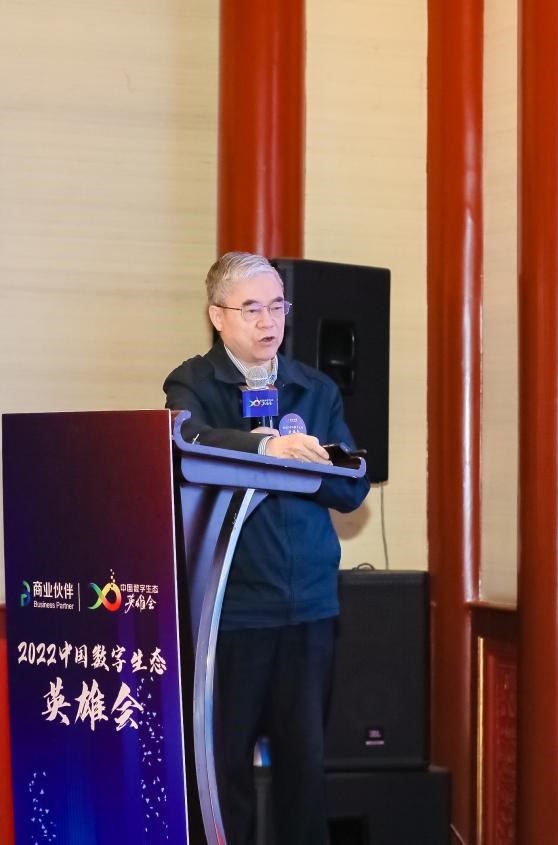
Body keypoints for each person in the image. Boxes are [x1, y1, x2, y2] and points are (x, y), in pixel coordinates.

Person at [163, 251, 370, 845]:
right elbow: (186, 443)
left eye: (277, 307)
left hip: (308, 608)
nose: (268, 322)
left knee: (304, 771)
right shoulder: (192, 384)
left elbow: (351, 490)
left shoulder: (313, 387)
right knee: (222, 770)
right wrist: (261, 449)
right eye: (251, 308)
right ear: (217, 316)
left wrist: (313, 462)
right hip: (230, 610)